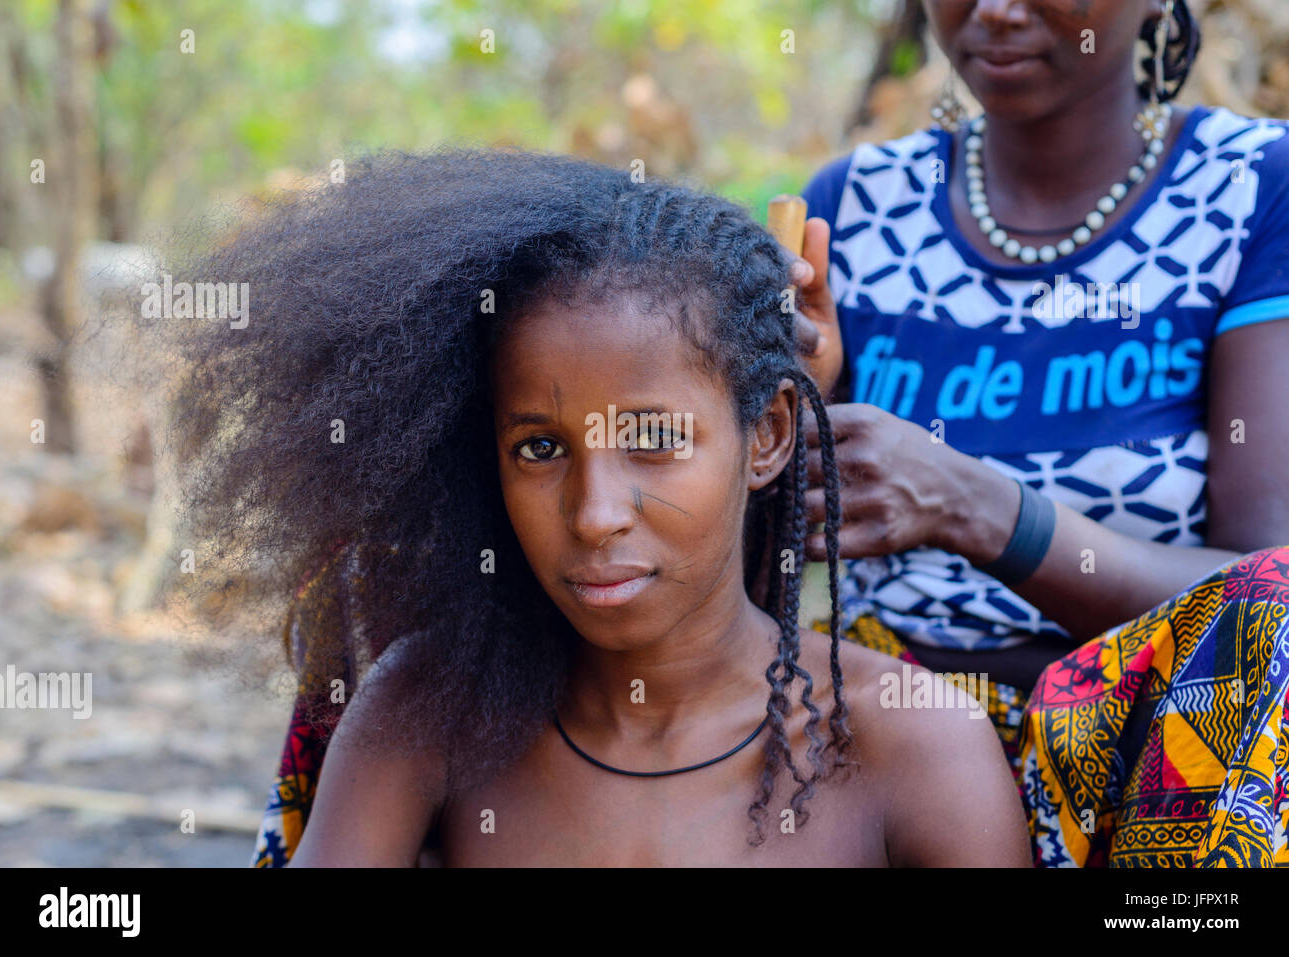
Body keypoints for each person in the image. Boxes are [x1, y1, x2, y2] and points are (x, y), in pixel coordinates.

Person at [165, 148, 1030, 866]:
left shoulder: (911, 748)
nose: (594, 514)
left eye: (653, 437)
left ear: (768, 436)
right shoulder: (431, 711)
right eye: (540, 448)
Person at [788, 0, 1289, 865]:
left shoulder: (1251, 189)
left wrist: (980, 508)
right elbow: (761, 561)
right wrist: (793, 412)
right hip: (890, 739)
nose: (995, 10)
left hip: (1161, 756)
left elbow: (1263, 591)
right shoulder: (855, 205)